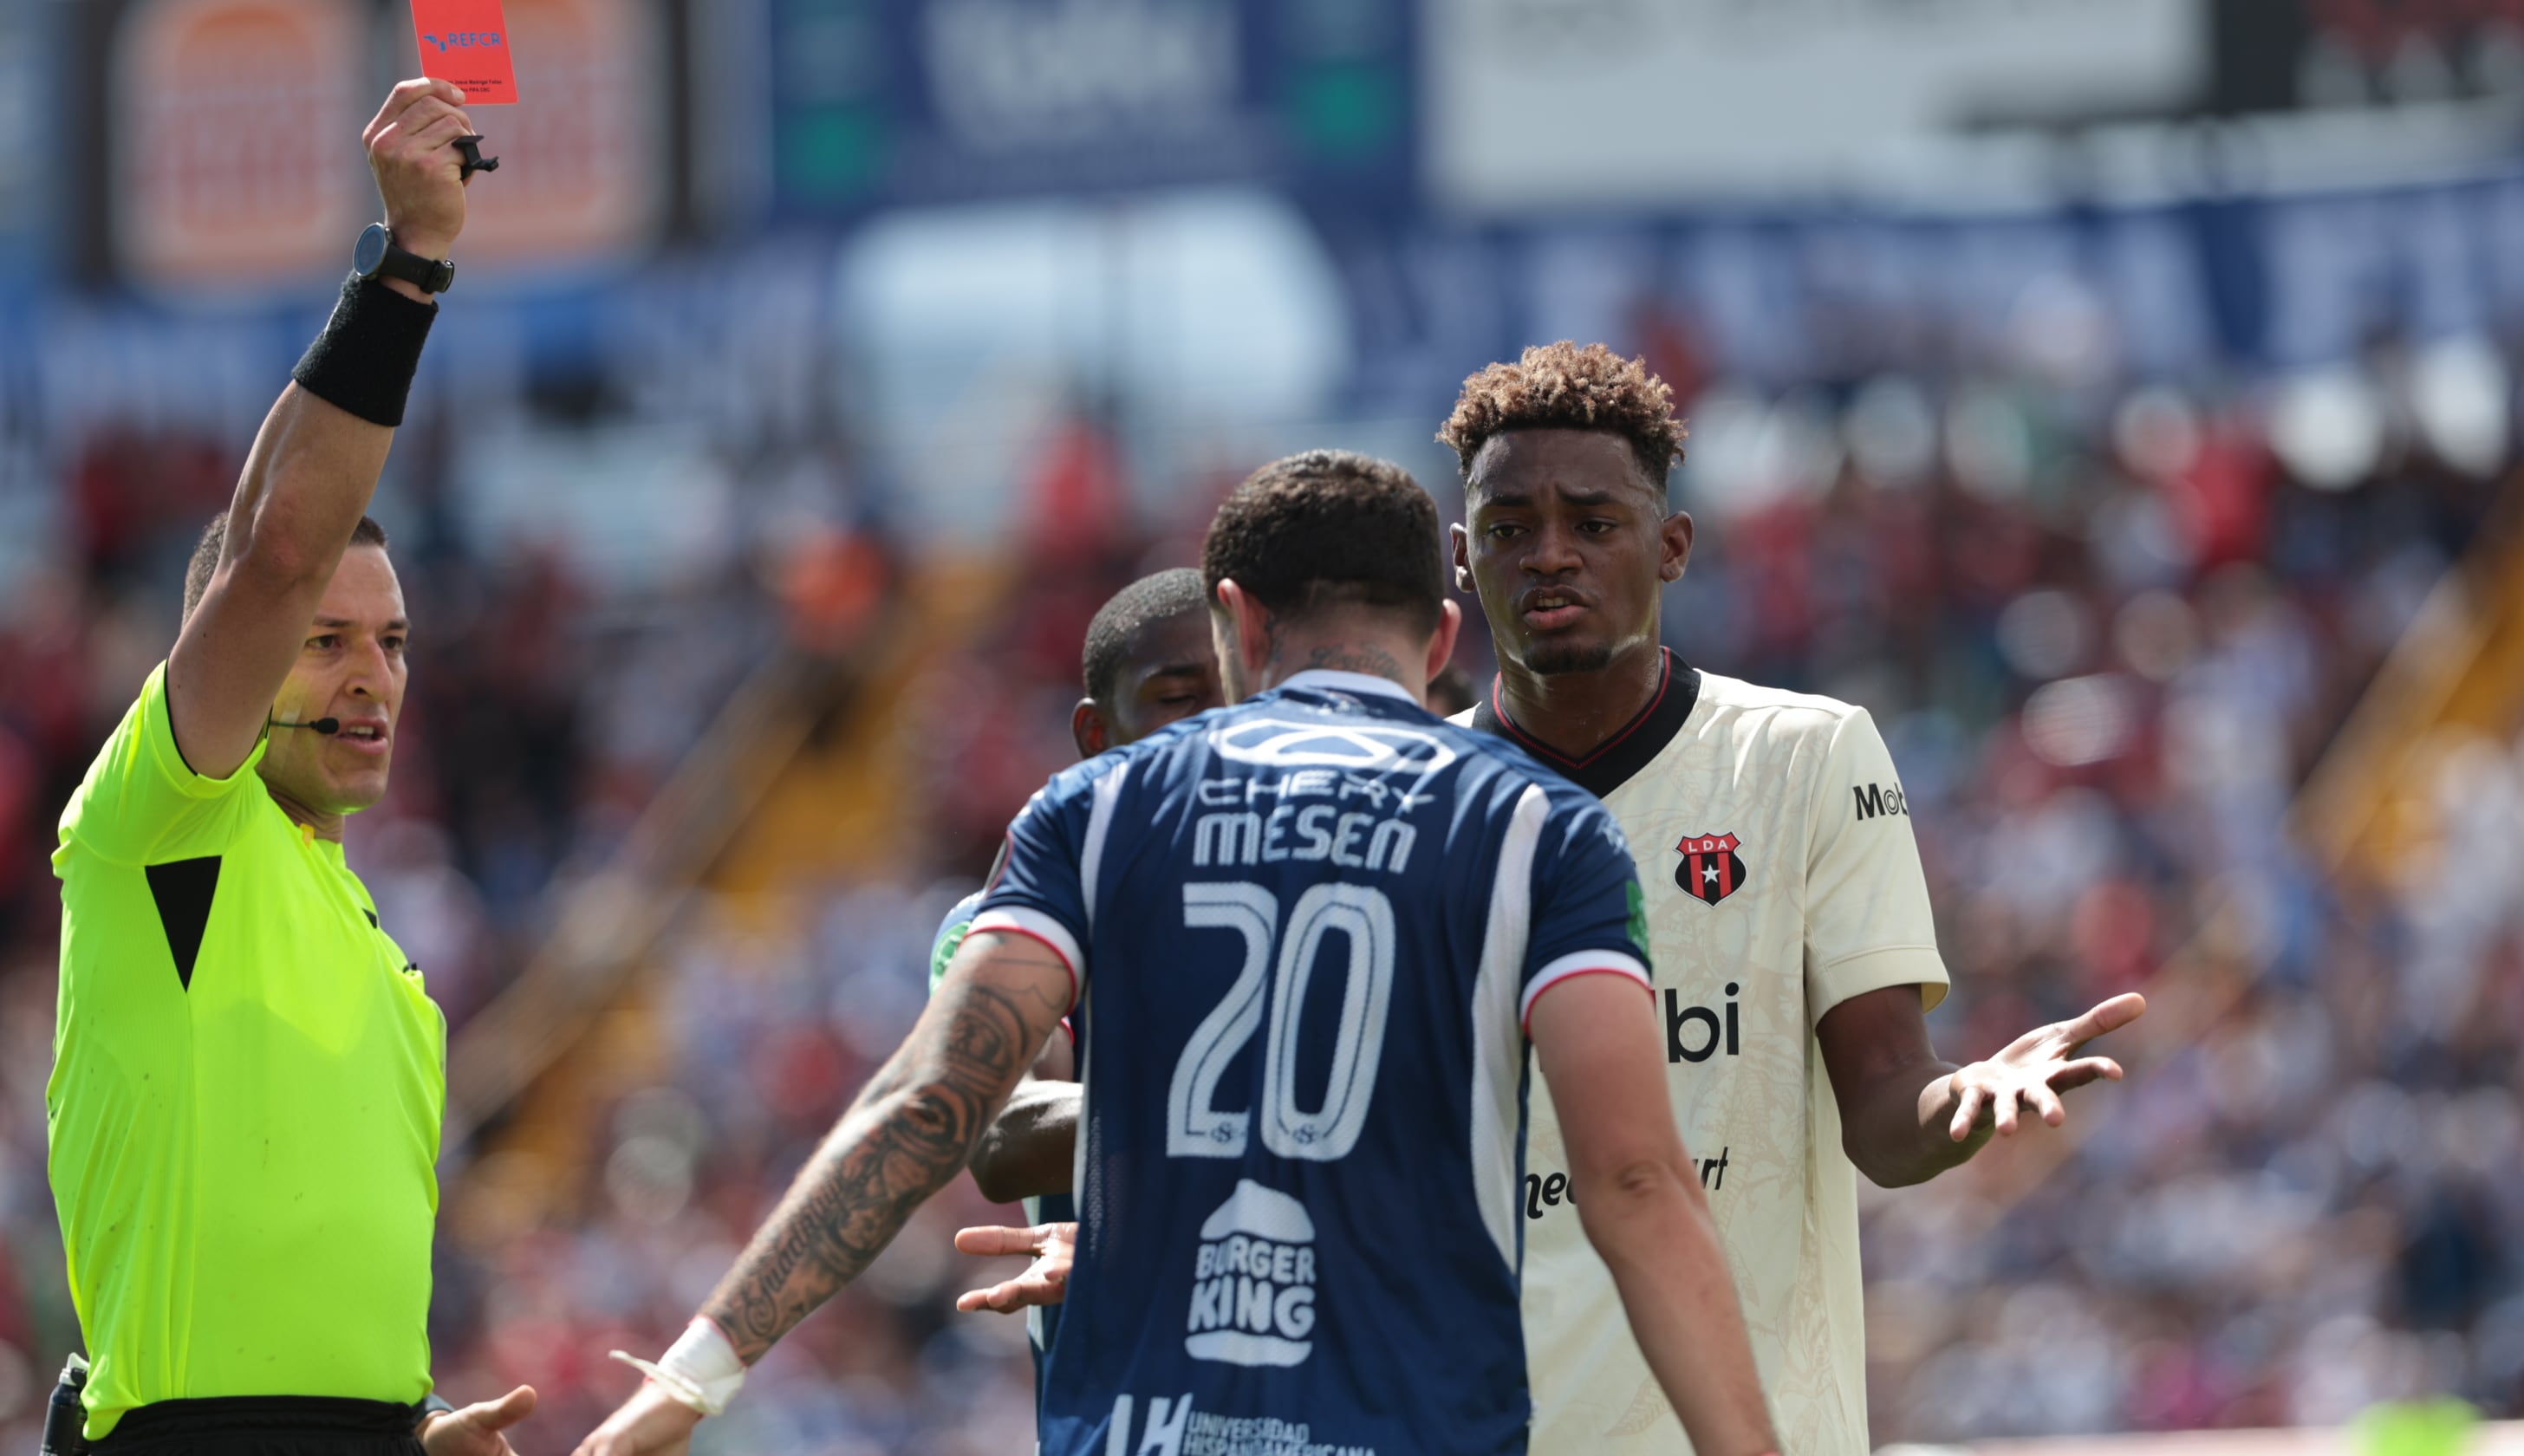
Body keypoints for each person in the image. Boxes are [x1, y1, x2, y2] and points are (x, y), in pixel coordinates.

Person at [576, 451, 1780, 1456]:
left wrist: (691, 1376)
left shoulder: (1089, 813)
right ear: (1443, 635)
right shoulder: (1545, 830)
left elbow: (933, 1101)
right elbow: (1633, 1183)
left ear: (1237, 620)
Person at [1435, 341, 2144, 1453]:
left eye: (1594, 521)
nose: (1550, 555)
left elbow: (1883, 1111)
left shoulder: (1807, 757)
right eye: (1511, 528)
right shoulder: (1407, 805)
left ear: (1671, 546)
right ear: (1464, 558)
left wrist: (1960, 1102)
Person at [45, 80, 533, 1456]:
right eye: (323, 641)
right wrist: (410, 269)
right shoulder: (167, 827)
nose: (371, 674)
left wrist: (402, 1435)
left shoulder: (389, 955)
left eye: (392, 642)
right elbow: (273, 541)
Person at [930, 568, 1226, 1370]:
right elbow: (1002, 1137)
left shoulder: (1342, 894)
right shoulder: (1010, 926)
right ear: (1097, 735)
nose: (1219, 729)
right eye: (1179, 698)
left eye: (1242, 695)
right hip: (1121, 1404)